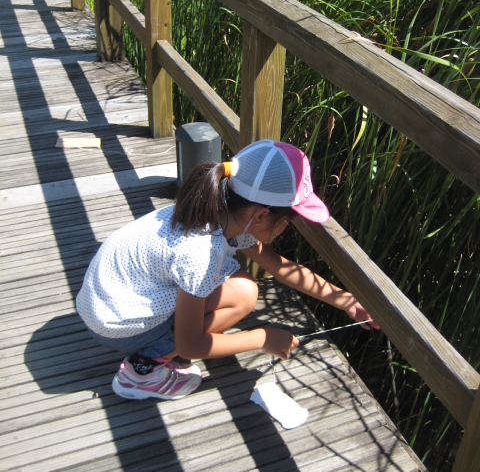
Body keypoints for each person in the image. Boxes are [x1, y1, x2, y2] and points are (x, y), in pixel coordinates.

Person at [76, 139, 377, 401]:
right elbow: (190, 345)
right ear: (261, 215)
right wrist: (262, 338)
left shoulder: (221, 210)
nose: (288, 227)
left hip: (108, 300)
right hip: (116, 324)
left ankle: (155, 350)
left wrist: (346, 301)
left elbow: (279, 267)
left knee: (244, 291)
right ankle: (142, 371)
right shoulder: (200, 252)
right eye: (289, 220)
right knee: (235, 298)